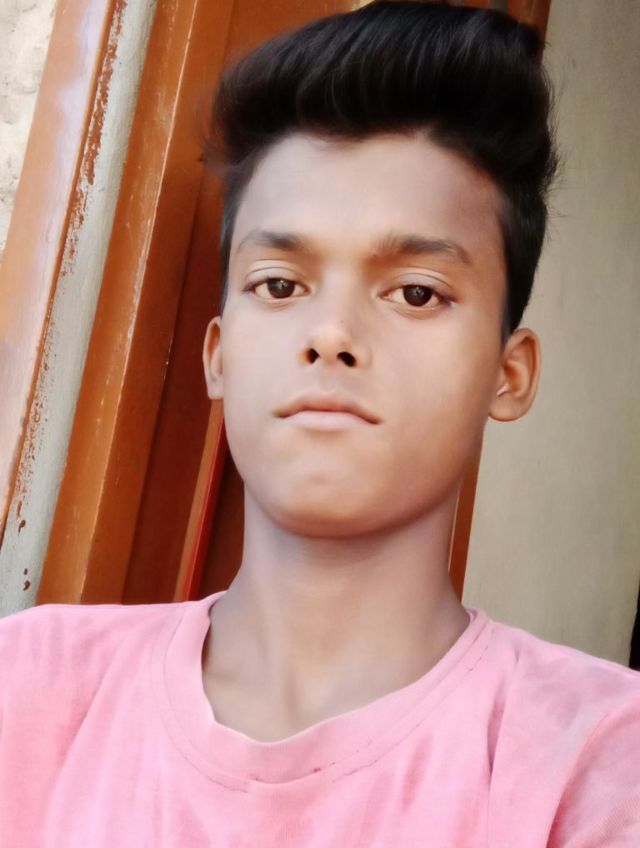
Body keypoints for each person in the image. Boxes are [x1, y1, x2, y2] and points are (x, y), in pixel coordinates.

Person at [1, 2, 639, 845]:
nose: (331, 334)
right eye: (280, 285)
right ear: (219, 355)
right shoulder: (29, 685)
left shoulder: (598, 755)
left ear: (508, 372)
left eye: (416, 292)